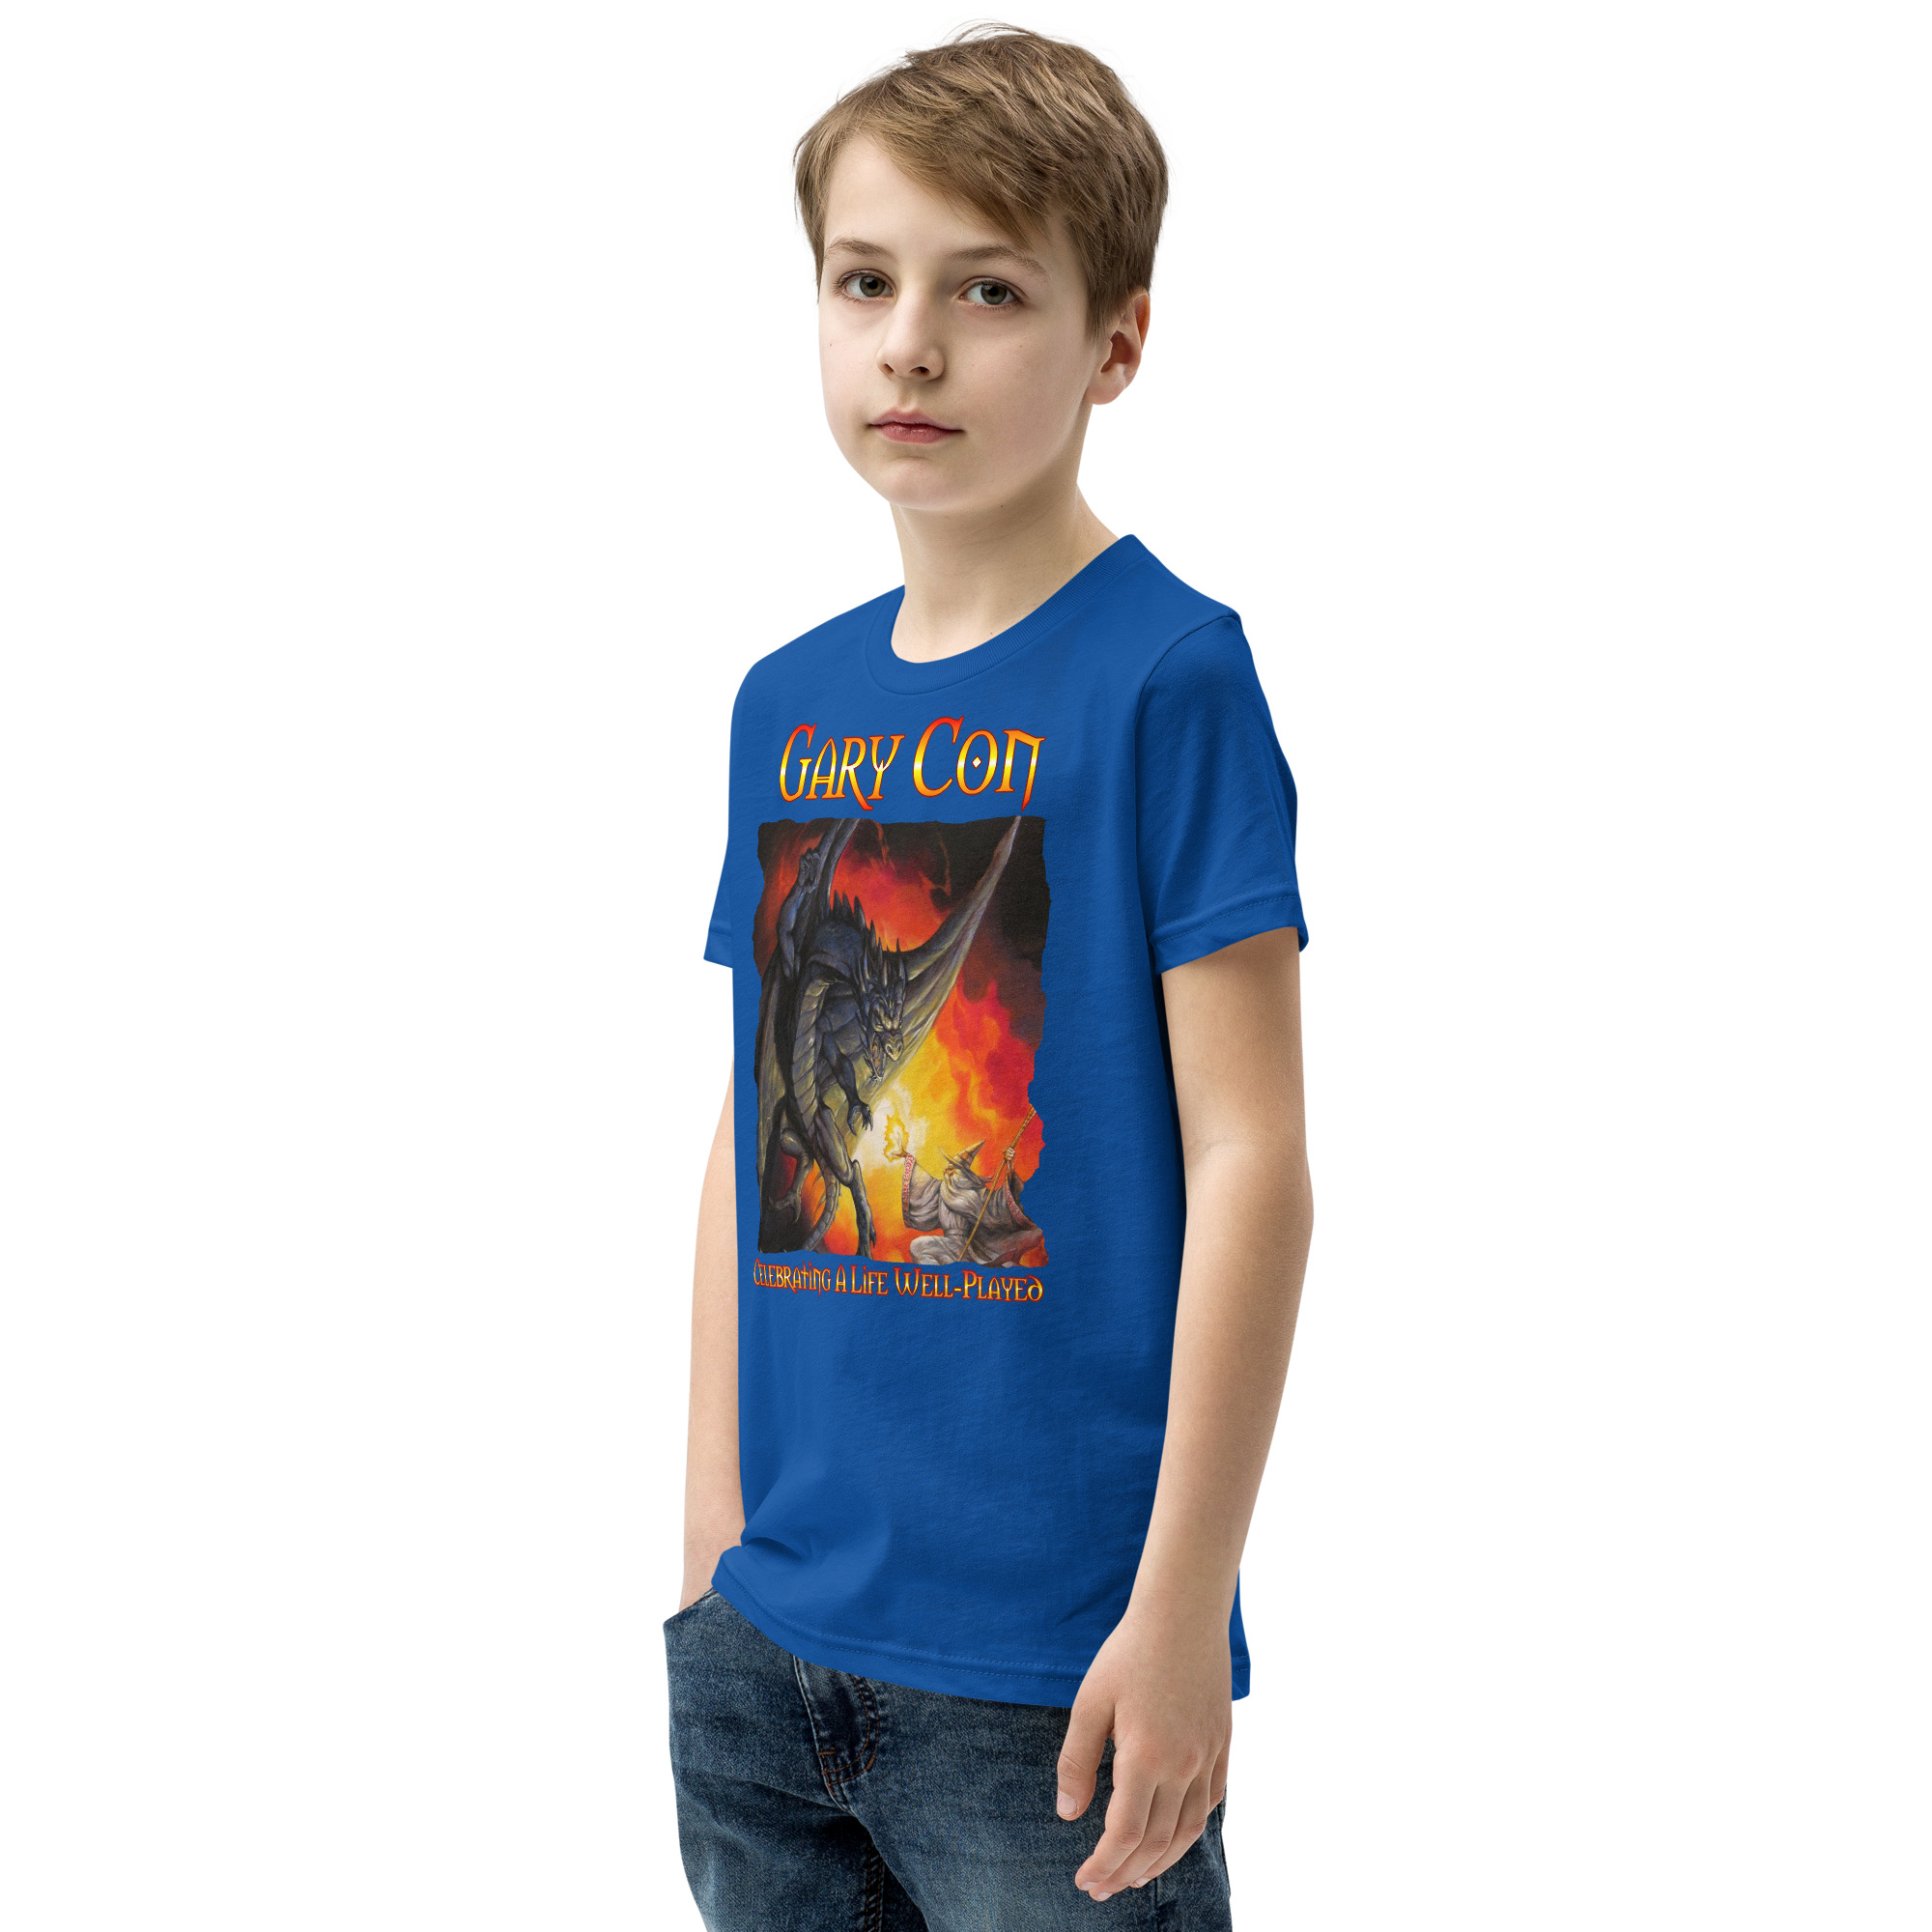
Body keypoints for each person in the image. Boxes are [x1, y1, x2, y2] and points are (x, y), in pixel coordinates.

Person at [670, 27, 1313, 1929]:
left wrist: (1181, 1609)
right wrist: (711, 1557)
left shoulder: (1167, 675)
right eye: (864, 282)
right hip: (768, 1654)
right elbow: (746, 1133)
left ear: (1117, 341)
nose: (911, 347)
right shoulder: (784, 703)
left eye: (988, 291)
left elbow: (1256, 1161)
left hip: (1052, 1676)